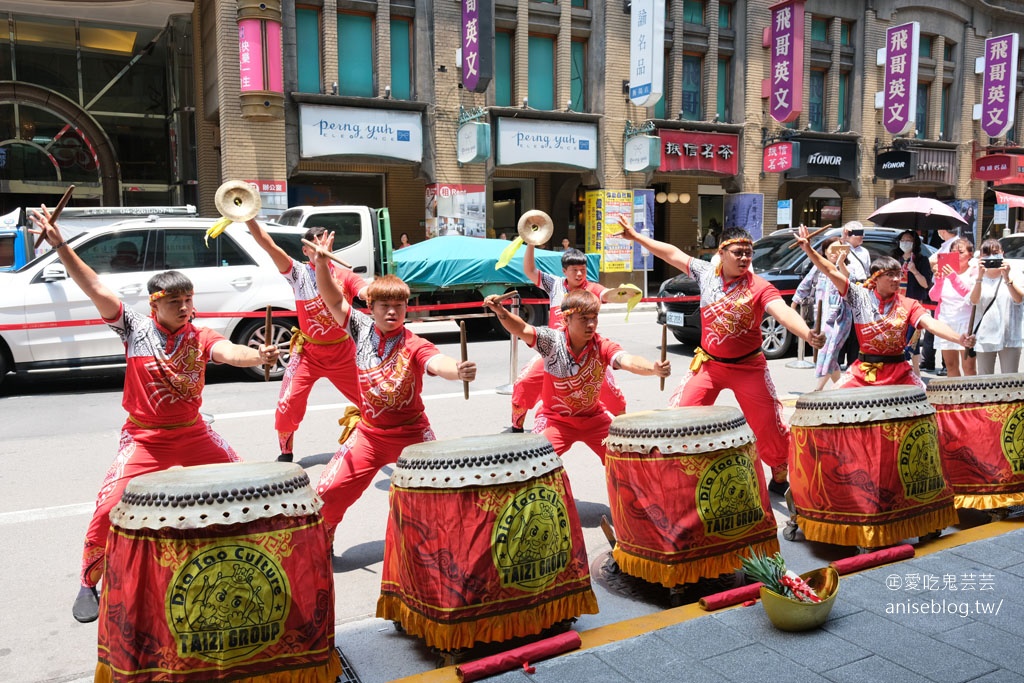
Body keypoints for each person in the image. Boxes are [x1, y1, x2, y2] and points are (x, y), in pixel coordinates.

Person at [29, 205, 280, 624]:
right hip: (144, 438)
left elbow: (229, 353)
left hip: (193, 432)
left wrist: (257, 353)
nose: (185, 309)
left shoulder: (201, 335)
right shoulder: (134, 329)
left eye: (189, 301)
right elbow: (94, 285)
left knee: (244, 484)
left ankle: (255, 553)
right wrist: (59, 246)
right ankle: (89, 579)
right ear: (155, 304)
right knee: (109, 504)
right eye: (177, 302)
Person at [618, 215, 825, 496]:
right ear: (721, 253)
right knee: (679, 418)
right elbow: (671, 253)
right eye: (738, 253)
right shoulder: (705, 274)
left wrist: (806, 333)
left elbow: (783, 311)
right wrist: (637, 237)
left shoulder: (759, 287)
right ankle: (676, 477)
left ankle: (779, 474)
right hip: (709, 365)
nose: (744, 259)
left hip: (749, 367)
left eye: (748, 253)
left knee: (769, 429)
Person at [309, 233, 476, 539]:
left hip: (412, 436)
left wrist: (459, 370)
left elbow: (438, 362)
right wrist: (321, 264)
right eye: (384, 305)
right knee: (327, 491)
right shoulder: (359, 328)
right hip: (369, 435)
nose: (392, 312)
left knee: (435, 497)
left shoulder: (415, 343)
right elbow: (333, 298)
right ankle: (325, 534)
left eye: (399, 306)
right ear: (370, 306)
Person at [483, 289, 670, 460]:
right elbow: (522, 329)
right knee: (535, 462)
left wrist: (652, 368)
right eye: (583, 319)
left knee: (627, 457)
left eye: (594, 318)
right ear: (566, 320)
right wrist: (501, 312)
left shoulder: (602, 345)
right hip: (555, 421)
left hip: (594, 421)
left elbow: (626, 360)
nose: (591, 324)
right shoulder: (551, 342)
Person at [795, 224, 974, 388]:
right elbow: (831, 270)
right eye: (890, 275)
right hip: (864, 370)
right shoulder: (859, 297)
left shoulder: (907, 303)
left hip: (900, 371)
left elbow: (931, 324)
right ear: (875, 278)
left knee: (926, 405)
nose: (897, 279)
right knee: (838, 404)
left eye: (898, 274)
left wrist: (960, 339)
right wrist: (808, 249)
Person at [247, 220, 367, 462]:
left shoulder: (345, 276)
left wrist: (381, 295)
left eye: (326, 245)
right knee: (288, 402)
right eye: (315, 246)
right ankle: (286, 451)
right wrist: (249, 217)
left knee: (370, 400)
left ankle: (378, 441)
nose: (321, 250)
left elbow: (366, 292)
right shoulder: (297, 274)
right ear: (305, 250)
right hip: (308, 353)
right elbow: (269, 246)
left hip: (344, 352)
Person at [508, 245, 627, 431]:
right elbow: (530, 271)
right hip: (553, 351)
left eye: (583, 270)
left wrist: (623, 293)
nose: (580, 274)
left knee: (612, 393)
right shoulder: (554, 284)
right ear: (564, 271)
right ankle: (517, 426)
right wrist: (530, 242)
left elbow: (606, 294)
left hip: (589, 354)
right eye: (575, 270)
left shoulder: (592, 289)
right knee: (525, 381)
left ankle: (625, 429)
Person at [791, 237, 851, 391]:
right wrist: (794, 304)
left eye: (839, 249)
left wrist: (842, 262)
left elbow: (846, 277)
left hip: (841, 318)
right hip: (822, 317)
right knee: (830, 352)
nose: (835, 253)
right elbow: (805, 284)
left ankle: (818, 389)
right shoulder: (817, 268)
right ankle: (842, 387)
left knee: (828, 349)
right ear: (825, 251)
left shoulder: (845, 266)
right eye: (832, 249)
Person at [969, 239, 1024, 374]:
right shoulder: (975, 277)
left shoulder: (1014, 273)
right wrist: (980, 277)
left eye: (995, 253)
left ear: (1002, 254)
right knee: (984, 381)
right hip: (984, 335)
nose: (991, 257)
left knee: (1010, 380)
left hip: (1009, 334)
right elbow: (974, 301)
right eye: (986, 254)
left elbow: (1019, 299)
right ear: (980, 257)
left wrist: (1007, 278)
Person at [930, 236, 977, 378]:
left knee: (968, 367)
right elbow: (934, 297)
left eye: (961, 252)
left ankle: (972, 399)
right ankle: (955, 398)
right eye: (953, 252)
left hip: (966, 322)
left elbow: (970, 296)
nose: (956, 255)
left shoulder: (973, 271)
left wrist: (953, 277)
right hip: (946, 321)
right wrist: (939, 280)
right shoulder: (943, 271)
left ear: (970, 254)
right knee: (950, 365)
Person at [892, 230, 933, 375]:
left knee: (912, 337)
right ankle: (907, 371)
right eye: (903, 240)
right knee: (897, 337)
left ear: (915, 243)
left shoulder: (921, 261)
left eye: (909, 240)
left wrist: (914, 271)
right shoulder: (894, 259)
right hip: (895, 304)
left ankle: (913, 371)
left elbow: (925, 284)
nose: (905, 243)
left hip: (913, 304)